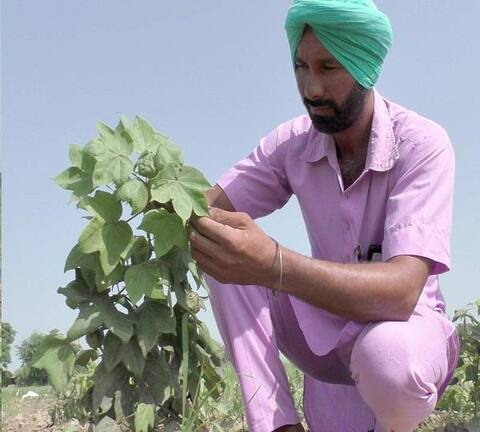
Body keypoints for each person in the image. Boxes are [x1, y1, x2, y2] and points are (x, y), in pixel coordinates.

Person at [188, 1, 460, 431]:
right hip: (324, 338)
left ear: (364, 66)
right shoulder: (291, 143)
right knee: (222, 248)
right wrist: (149, 190)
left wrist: (275, 264)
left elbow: (403, 291)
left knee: (389, 357)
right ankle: (278, 425)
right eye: (301, 66)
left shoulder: (422, 144)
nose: (311, 88)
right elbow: (204, 209)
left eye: (328, 67)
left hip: (404, 336)